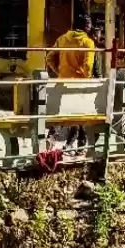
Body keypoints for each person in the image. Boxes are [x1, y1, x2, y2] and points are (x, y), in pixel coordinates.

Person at [47, 13, 95, 151]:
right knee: (82, 112)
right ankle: (80, 146)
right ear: (86, 26)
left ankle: (54, 136)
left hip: (62, 85)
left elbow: (49, 58)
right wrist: (85, 79)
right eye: (90, 25)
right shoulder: (88, 43)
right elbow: (88, 68)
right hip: (78, 88)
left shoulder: (62, 39)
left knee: (65, 112)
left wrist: (60, 72)